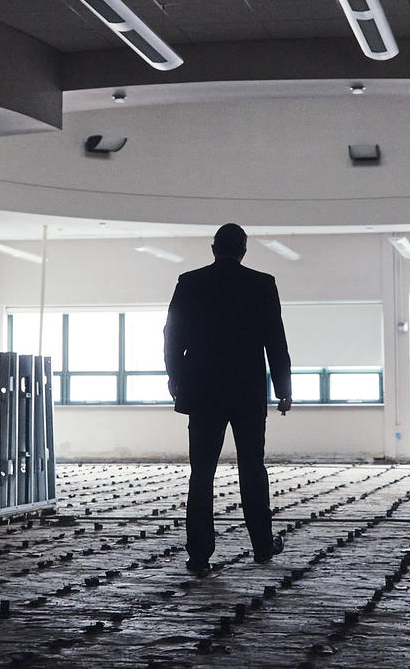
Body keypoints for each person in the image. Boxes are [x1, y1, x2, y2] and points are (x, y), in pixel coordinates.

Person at [163, 223, 292, 574]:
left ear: (213, 247)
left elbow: (173, 334)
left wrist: (175, 378)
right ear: (244, 250)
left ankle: (199, 555)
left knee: (201, 474)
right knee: (252, 468)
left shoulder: (190, 282)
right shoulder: (261, 284)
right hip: (247, 392)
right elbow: (275, 339)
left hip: (204, 392)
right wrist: (283, 388)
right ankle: (262, 545)